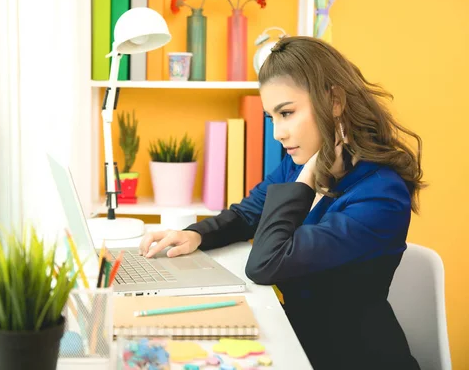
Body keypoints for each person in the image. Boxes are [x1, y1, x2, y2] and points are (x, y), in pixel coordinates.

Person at [139, 36, 424, 370]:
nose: (277, 133)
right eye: (271, 117)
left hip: (348, 358)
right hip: (296, 342)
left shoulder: (381, 195)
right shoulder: (297, 162)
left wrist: (305, 180)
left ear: (334, 101)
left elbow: (266, 263)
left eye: (287, 113)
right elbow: (248, 214)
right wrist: (195, 234)